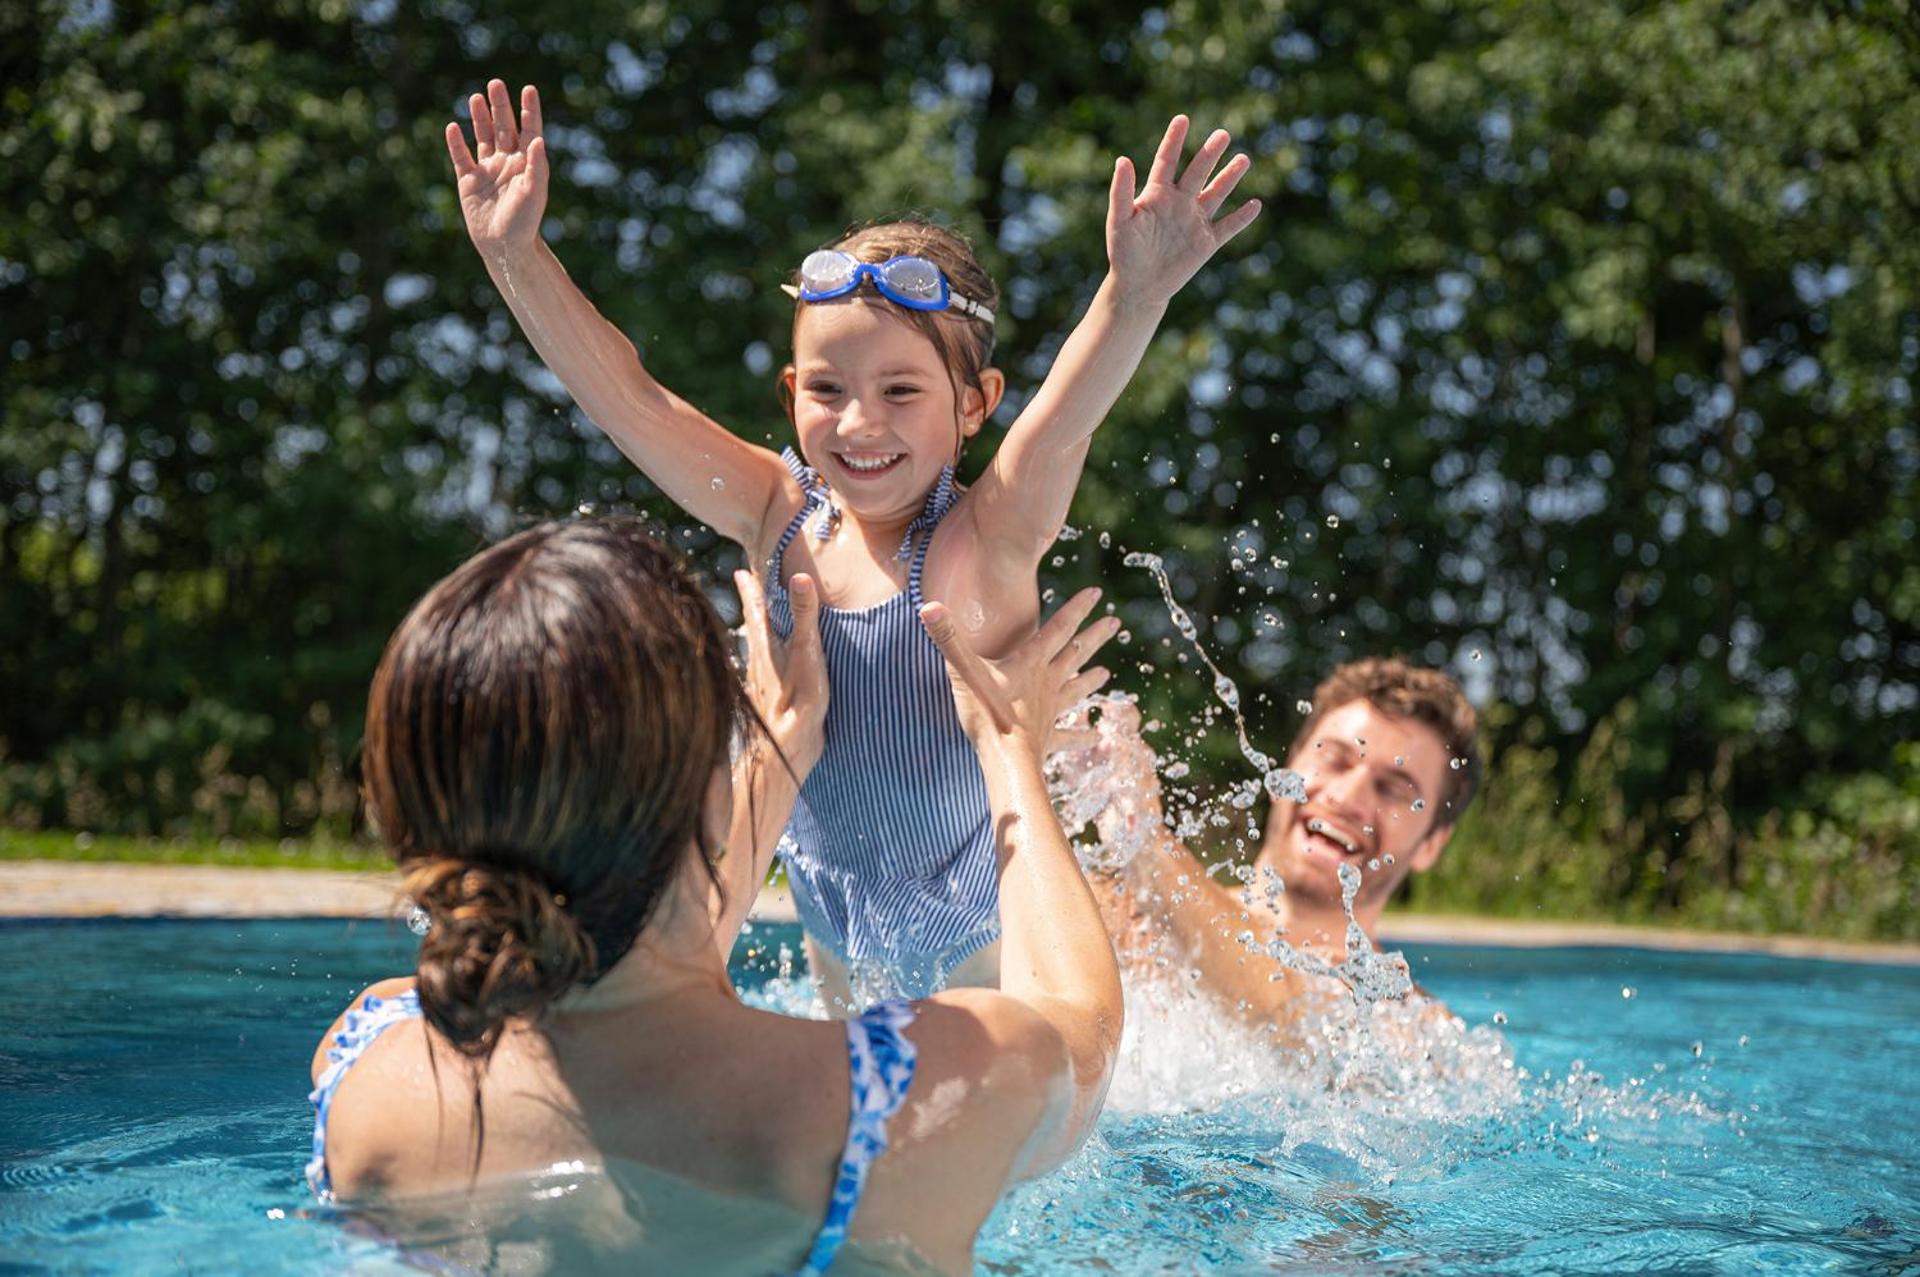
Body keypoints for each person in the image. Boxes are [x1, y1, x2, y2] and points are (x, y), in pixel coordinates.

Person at [445, 79, 1260, 1003]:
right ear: (792, 390)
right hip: (839, 939)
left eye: (902, 391)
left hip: (985, 956)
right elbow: (630, 398)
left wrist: (1134, 291)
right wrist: (516, 255)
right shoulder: (774, 512)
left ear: (976, 405)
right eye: (828, 389)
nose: (859, 422)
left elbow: (1064, 424)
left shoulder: (984, 537)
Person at [305, 518, 1125, 1274]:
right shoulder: (897, 1105)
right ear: (710, 793)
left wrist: (785, 739)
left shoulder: (368, 1068)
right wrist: (1009, 744)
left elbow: (626, 946)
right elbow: (1079, 1019)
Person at [1056, 658, 1482, 1038]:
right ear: (1288, 766)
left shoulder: (1407, 1023)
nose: (1347, 798)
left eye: (1392, 790)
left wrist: (1144, 839)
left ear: (1431, 845)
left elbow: (1287, 1012)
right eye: (1334, 760)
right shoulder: (1115, 912)